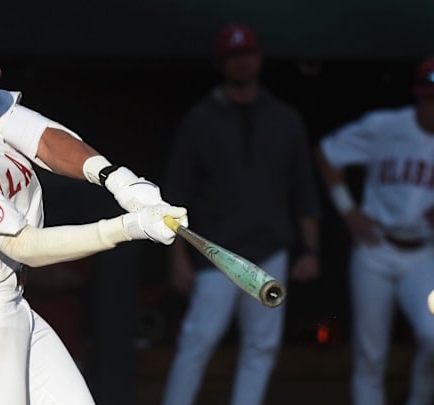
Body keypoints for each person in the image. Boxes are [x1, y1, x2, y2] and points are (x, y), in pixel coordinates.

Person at [0, 22, 188, 405]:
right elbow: (26, 246)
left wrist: (119, 180)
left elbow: (42, 137)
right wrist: (128, 227)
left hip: (9, 304)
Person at [315, 56, 434, 405]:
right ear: (418, 95)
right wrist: (348, 210)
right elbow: (327, 152)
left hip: (426, 255)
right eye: (431, 96)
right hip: (375, 247)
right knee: (371, 355)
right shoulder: (388, 126)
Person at [160, 23, 321, 405]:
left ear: (259, 59)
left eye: (246, 55)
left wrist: (311, 250)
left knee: (261, 349)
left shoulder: (284, 118)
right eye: (234, 57)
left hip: (271, 251)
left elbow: (304, 189)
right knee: (197, 342)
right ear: (222, 63)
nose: (242, 63)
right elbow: (173, 195)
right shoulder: (199, 120)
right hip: (216, 253)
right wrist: (177, 257)